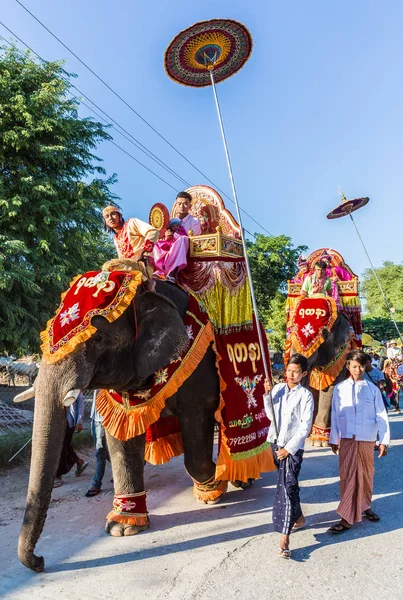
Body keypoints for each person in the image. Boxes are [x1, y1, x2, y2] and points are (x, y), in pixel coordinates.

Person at [328, 350, 390, 533]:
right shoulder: (340, 389)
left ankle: (365, 506)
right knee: (347, 476)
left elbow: (381, 416)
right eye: (354, 366)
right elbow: (335, 415)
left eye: (361, 366)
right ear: (348, 366)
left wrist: (383, 441)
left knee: (366, 475)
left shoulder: (372, 390)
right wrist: (334, 438)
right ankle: (346, 517)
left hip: (366, 439)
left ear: (366, 366)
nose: (358, 369)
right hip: (347, 439)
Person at [263, 353, 314, 559]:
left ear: (303, 373)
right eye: (289, 371)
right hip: (276, 443)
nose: (291, 375)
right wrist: (267, 395)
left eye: (295, 372)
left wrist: (289, 449)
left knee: (287, 488)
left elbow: (305, 426)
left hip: (292, 449)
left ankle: (284, 537)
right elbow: (270, 416)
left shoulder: (305, 395)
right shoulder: (277, 390)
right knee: (288, 484)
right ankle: (299, 519)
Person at [102, 205, 159, 277]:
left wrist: (141, 251)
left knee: (109, 265)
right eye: (107, 216)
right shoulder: (116, 238)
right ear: (106, 222)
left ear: (120, 216)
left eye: (113, 214)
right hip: (128, 266)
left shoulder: (131, 223)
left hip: (142, 264)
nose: (110, 218)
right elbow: (121, 258)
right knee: (106, 269)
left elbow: (153, 231)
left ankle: (147, 281)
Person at [54, 392, 88, 488]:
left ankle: (58, 476)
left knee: (61, 448)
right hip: (56, 421)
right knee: (65, 446)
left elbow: (80, 403)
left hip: (68, 422)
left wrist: (79, 421)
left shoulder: (75, 386)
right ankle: (80, 462)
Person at [85, 391, 110, 497]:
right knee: (104, 452)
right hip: (96, 418)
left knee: (100, 452)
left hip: (102, 419)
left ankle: (96, 484)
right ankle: (122, 471)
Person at [153, 218, 189, 282]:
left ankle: (172, 271)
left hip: (176, 249)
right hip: (167, 250)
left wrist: (174, 235)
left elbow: (182, 239)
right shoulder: (168, 232)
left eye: (177, 226)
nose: (175, 227)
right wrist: (167, 237)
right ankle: (160, 271)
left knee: (183, 239)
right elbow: (165, 241)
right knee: (155, 245)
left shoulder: (181, 234)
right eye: (173, 226)